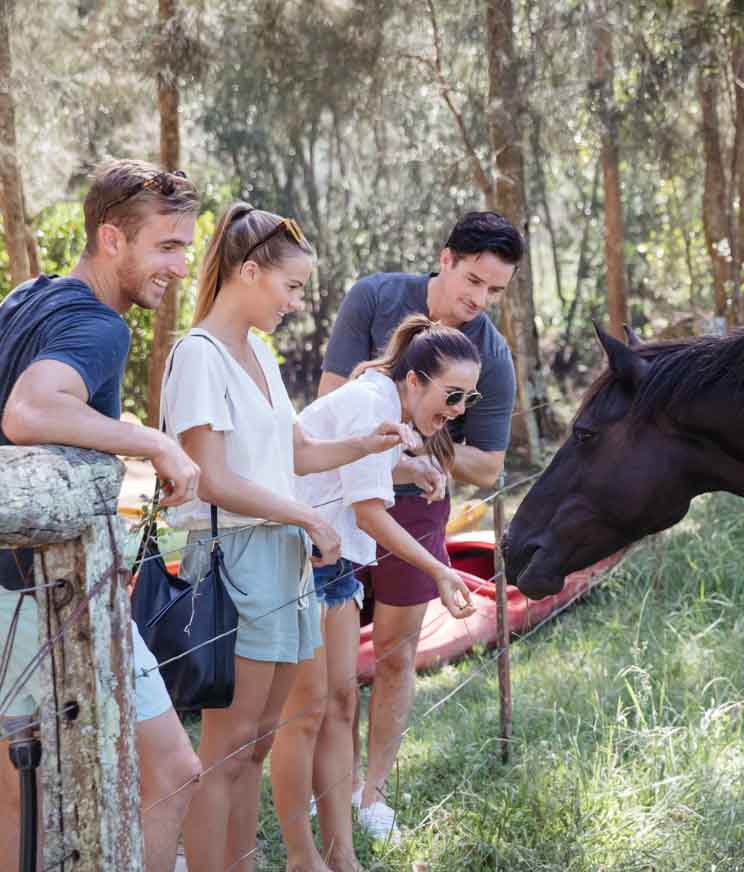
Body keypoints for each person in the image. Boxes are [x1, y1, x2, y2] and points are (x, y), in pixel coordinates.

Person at [163, 202, 412, 872]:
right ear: (248, 272)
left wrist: (368, 441)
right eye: (292, 288)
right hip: (240, 556)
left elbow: (296, 451)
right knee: (227, 746)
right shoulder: (199, 356)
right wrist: (306, 517)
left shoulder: (260, 354)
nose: (298, 304)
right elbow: (210, 477)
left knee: (256, 745)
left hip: (285, 560)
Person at [0, 158, 203, 872]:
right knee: (161, 776)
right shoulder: (99, 327)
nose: (182, 266)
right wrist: (154, 441)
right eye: (168, 246)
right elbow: (28, 411)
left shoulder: (29, 297)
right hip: (31, 600)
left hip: (42, 589)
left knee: (26, 805)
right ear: (113, 240)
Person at [318, 211, 522, 839]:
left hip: (418, 510)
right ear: (445, 257)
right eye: (473, 280)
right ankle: (334, 782)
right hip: (338, 502)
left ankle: (372, 796)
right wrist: (397, 444)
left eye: (494, 291)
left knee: (394, 658)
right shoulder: (375, 297)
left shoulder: (491, 352)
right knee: (334, 666)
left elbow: (487, 465)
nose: (479, 300)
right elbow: (333, 403)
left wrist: (417, 446)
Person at [269, 315, 479, 871]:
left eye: (468, 399)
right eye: (451, 396)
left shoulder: (387, 406)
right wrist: (441, 570)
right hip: (298, 562)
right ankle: (302, 855)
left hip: (334, 565)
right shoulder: (371, 402)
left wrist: (411, 466)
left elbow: (357, 468)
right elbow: (370, 513)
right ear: (414, 381)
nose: (456, 411)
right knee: (305, 715)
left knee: (340, 705)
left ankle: (343, 856)